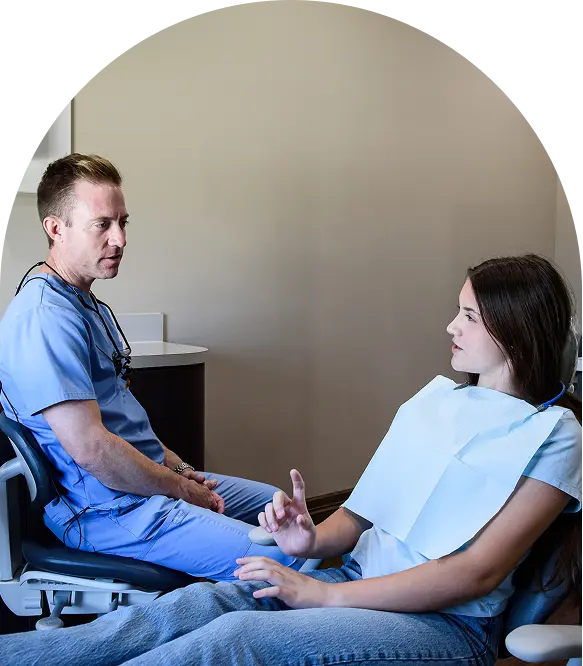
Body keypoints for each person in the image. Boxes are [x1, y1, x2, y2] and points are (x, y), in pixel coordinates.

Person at [1, 253, 581, 666]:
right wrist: (309, 542)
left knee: (231, 642)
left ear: (514, 328)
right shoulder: (439, 402)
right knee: (190, 608)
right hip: (355, 577)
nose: (450, 326)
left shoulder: (555, 435)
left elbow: (476, 573)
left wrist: (325, 595)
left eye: (469, 316)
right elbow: (359, 517)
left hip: (445, 626)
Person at [0, 153, 306, 580]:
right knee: (287, 560)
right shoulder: (43, 317)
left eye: (123, 222)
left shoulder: (86, 303)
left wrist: (183, 472)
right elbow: (94, 451)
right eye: (102, 225)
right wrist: (181, 489)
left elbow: (125, 424)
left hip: (145, 486)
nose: (120, 239)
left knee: (286, 516)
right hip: (106, 511)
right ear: (56, 228)